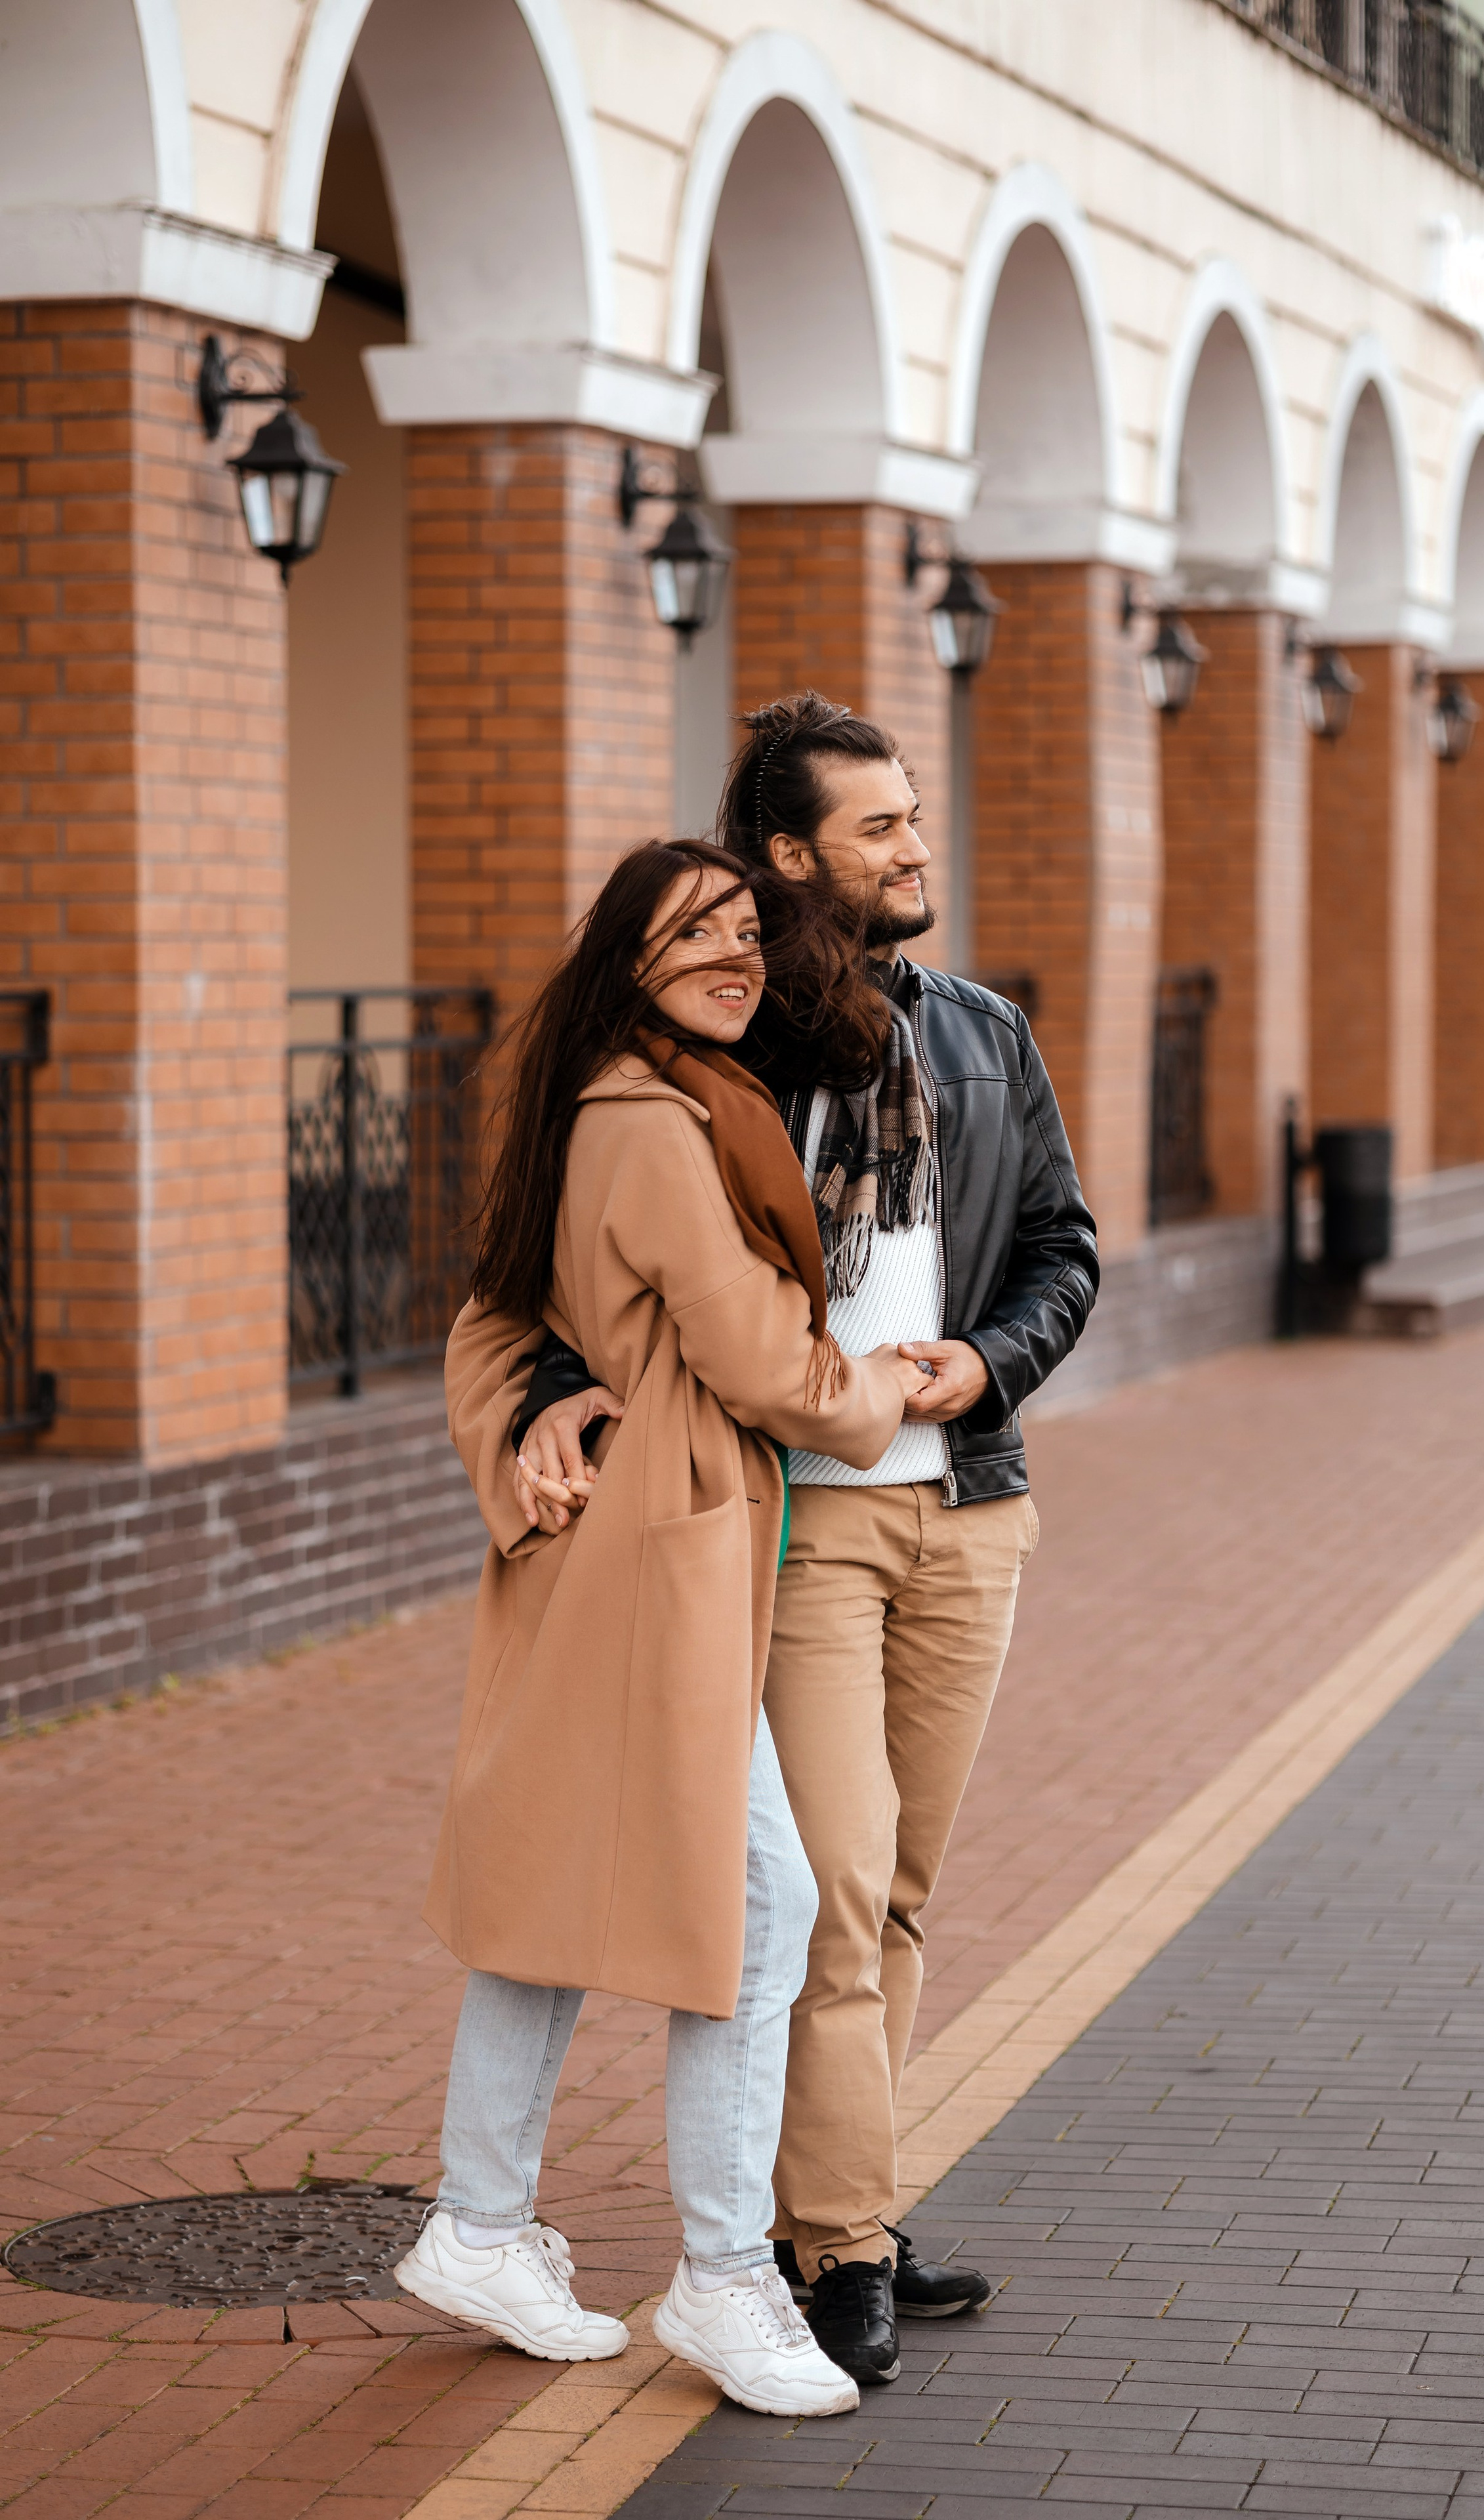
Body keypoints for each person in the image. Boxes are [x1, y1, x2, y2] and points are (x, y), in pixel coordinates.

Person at [510, 695, 1100, 2390]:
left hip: (969, 1506)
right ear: (788, 854)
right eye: (882, 828)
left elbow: (1060, 1240)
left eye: (918, 817)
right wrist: (559, 1379)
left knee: (898, 1894)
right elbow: (590, 1264)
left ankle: (831, 2209)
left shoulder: (983, 1030)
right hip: (797, 1524)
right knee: (833, 1894)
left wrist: (990, 1360)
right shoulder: (722, 1050)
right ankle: (836, 2243)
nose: (920, 847)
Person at [395, 837, 927, 2420]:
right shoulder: (652, 1119)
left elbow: (513, 1310)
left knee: (562, 1888)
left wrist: (550, 1400)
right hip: (651, 1547)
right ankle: (720, 2275)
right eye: (695, 928)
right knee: (759, 1909)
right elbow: (758, 1353)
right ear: (627, 952)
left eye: (747, 931)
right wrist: (884, 1389)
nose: (733, 952)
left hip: (641, 1538)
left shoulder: (637, 1097)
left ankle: (481, 2224)